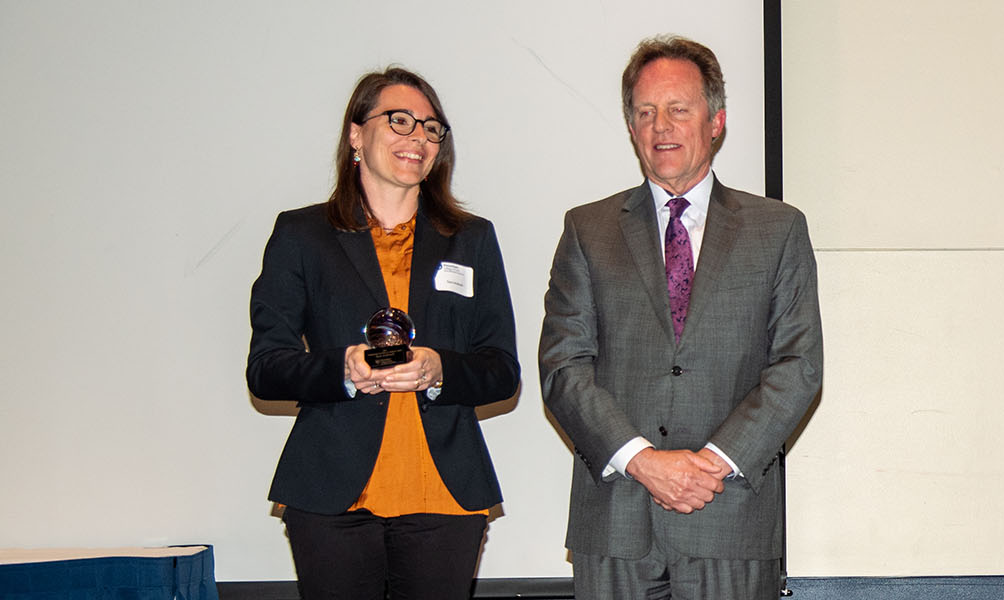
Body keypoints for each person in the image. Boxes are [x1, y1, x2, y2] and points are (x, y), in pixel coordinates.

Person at [539, 34, 823, 599]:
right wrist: (643, 461)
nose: (661, 125)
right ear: (630, 128)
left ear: (715, 121)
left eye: (678, 109)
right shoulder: (586, 229)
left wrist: (711, 464)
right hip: (617, 519)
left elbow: (798, 367)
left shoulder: (778, 229)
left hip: (731, 517)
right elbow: (563, 368)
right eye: (645, 112)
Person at [246, 67, 520, 599]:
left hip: (443, 493)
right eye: (399, 121)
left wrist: (441, 370)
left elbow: (501, 371)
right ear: (356, 134)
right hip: (331, 494)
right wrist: (343, 370)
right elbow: (265, 368)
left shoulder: (471, 239)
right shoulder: (302, 235)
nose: (417, 137)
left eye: (430, 128)